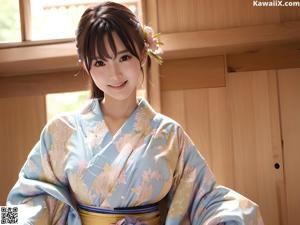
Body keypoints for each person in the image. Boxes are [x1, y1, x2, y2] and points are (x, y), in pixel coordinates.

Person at [7, 2, 264, 225]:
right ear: (85, 65)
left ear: (142, 54)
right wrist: (6, 219)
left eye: (124, 57)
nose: (115, 74)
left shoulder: (168, 134)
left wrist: (232, 215)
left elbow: (203, 197)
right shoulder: (60, 132)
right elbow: (30, 199)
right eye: (100, 62)